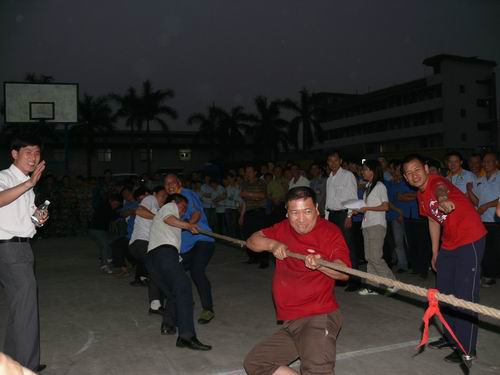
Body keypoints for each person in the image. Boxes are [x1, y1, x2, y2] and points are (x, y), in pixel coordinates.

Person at [243, 187, 351, 375]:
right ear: (287, 212)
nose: (301, 219)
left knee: (317, 371)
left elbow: (344, 272)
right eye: (295, 213)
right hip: (292, 321)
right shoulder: (282, 228)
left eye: (307, 211)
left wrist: (321, 265)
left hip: (318, 316)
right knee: (257, 363)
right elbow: (252, 241)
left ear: (317, 209)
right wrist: (273, 244)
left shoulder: (329, 232)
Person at [402, 154, 487, 364]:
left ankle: (466, 348)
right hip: (449, 244)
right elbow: (433, 220)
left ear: (426, 168)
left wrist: (442, 199)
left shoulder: (436, 182)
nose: (414, 175)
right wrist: (435, 252)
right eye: (409, 173)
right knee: (443, 294)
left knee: (464, 296)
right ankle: (450, 337)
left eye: (417, 170)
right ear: (405, 177)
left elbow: (442, 190)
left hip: (470, 239)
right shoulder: (421, 196)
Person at [0, 136, 47, 372]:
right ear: (14, 154)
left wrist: (37, 220)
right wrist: (28, 185)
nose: (33, 156)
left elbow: (24, 220)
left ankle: (10, 362)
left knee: (20, 307)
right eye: (27, 151)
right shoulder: (4, 178)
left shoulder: (27, 184)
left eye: (36, 152)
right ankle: (28, 368)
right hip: (9, 248)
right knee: (27, 308)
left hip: (22, 247)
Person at [144, 193, 212, 351]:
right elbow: (170, 218)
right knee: (184, 290)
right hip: (164, 254)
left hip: (154, 260)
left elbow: (175, 224)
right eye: (183, 207)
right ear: (175, 203)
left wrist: (190, 222)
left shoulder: (166, 224)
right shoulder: (169, 207)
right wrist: (188, 226)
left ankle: (168, 325)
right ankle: (186, 336)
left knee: (174, 294)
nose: (183, 210)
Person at [164, 174, 217, 324]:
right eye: (166, 184)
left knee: (197, 271)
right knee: (175, 272)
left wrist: (191, 224)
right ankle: (184, 302)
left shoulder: (187, 194)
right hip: (185, 246)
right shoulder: (169, 203)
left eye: (172, 182)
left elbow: (196, 212)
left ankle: (208, 309)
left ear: (179, 183)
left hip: (202, 239)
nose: (169, 186)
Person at [356, 160, 397, 295]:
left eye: (365, 169)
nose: (363, 171)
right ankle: (372, 286)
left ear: (373, 171)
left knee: (375, 257)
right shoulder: (368, 186)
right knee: (369, 257)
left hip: (376, 225)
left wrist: (366, 208)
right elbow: (369, 207)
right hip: (367, 224)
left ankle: (392, 283)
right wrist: (359, 210)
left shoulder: (379, 186)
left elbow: (386, 206)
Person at [325, 150, 360, 291]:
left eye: (335, 160)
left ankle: (355, 281)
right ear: (327, 163)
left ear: (340, 161)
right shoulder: (329, 178)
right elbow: (328, 200)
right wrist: (326, 219)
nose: (333, 163)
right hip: (332, 215)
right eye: (330, 161)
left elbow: (353, 197)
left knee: (349, 247)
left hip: (343, 215)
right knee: (334, 248)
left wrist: (350, 216)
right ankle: (339, 277)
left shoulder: (348, 175)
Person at [469, 152, 500, 287]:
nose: (486, 164)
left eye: (489, 161)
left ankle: (491, 276)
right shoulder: (479, 180)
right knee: (486, 249)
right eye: (484, 162)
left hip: (496, 219)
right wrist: (469, 190)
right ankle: (487, 275)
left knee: (495, 249)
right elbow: (477, 202)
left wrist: (487, 205)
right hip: (483, 220)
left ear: (496, 162)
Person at [240, 165, 269, 268]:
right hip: (248, 212)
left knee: (260, 235)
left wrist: (248, 194)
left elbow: (262, 196)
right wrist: (241, 216)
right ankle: (253, 257)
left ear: (255, 172)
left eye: (249, 171)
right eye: (246, 171)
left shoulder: (261, 182)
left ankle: (264, 260)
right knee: (248, 235)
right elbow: (244, 201)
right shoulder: (244, 184)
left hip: (259, 212)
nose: (247, 173)